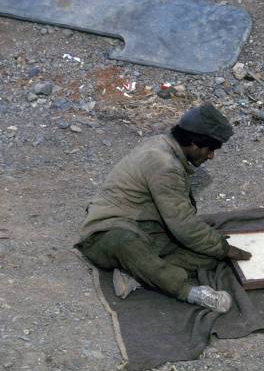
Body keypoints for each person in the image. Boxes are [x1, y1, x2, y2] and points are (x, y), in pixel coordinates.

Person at [76, 103, 251, 313]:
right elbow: (184, 226)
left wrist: (216, 246)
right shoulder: (164, 163)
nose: (211, 156)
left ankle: (137, 273)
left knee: (209, 251)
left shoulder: (166, 146)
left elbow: (182, 220)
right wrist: (226, 248)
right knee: (127, 243)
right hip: (105, 234)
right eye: (210, 149)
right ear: (195, 143)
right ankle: (191, 293)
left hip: (145, 228)